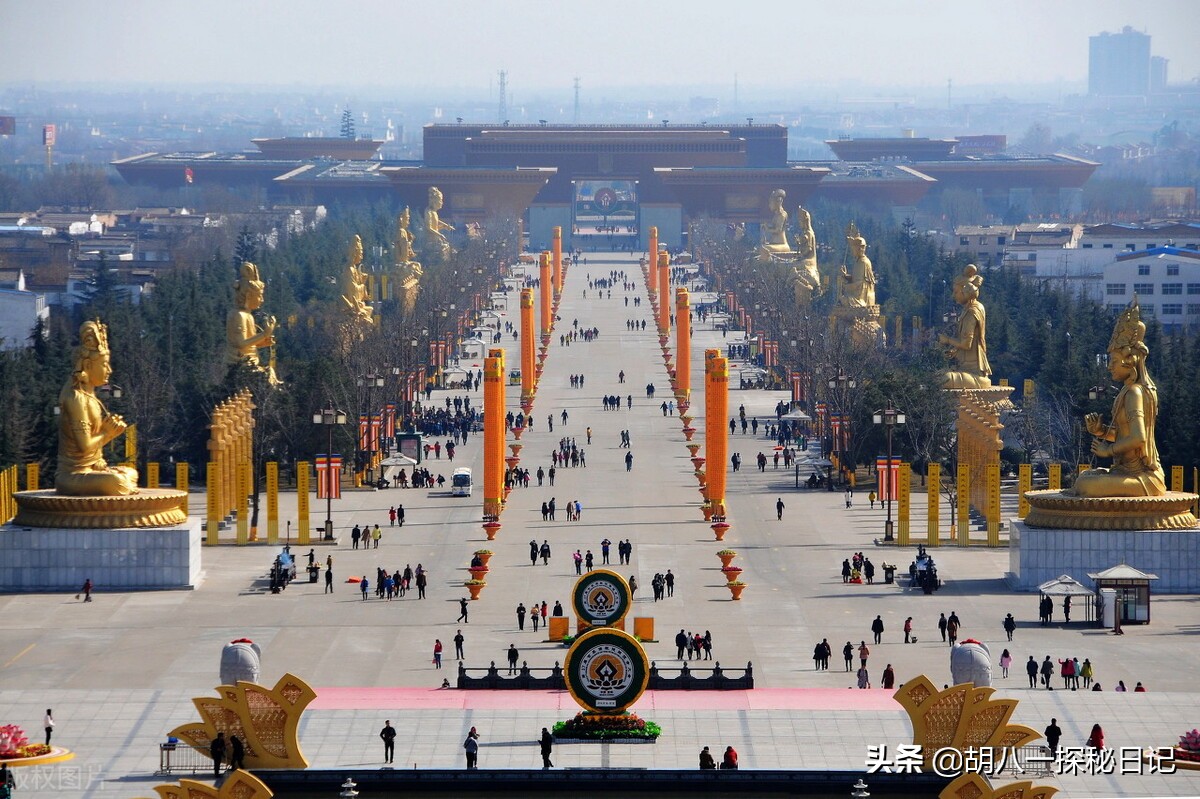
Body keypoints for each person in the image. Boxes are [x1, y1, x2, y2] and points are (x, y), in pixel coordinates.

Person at [55, 320, 139, 496]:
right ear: (87, 366)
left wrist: (98, 461)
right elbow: (85, 447)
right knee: (117, 482)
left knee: (131, 473)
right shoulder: (76, 398)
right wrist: (108, 433)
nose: (109, 370)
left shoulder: (91, 397)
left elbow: (92, 449)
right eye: (104, 364)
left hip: (92, 469)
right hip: (72, 476)